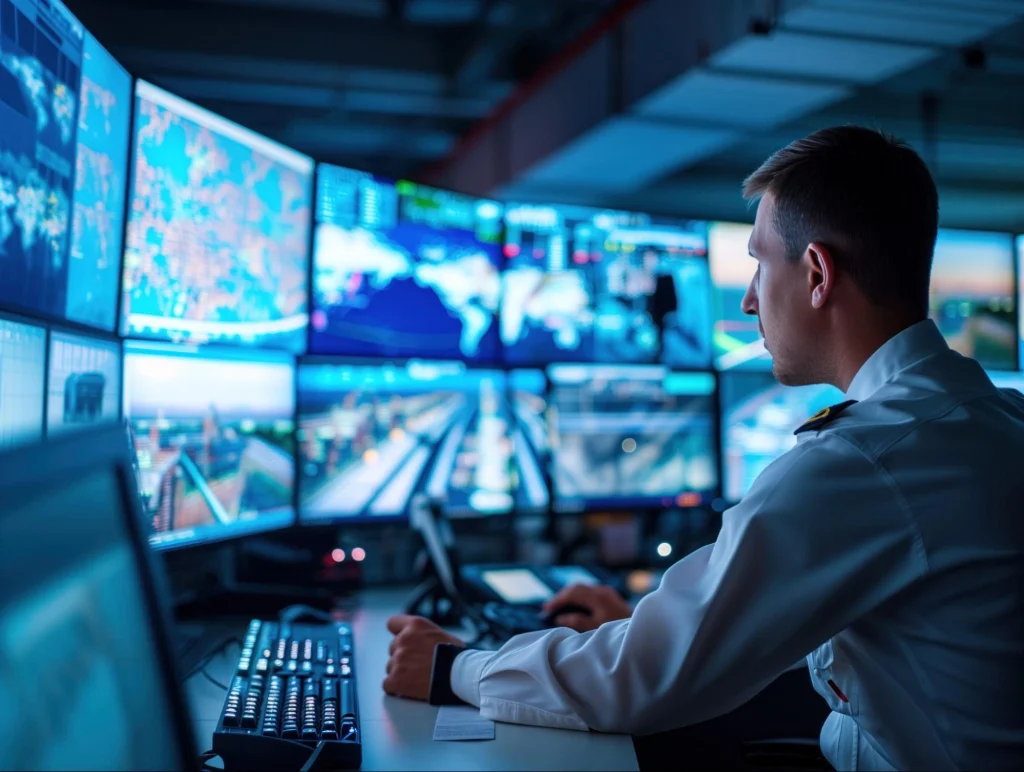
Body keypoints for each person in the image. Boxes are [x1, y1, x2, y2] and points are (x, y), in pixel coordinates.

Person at [383, 126, 1024, 771]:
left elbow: (640, 682)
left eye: (759, 262)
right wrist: (645, 621)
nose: (749, 298)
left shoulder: (863, 462)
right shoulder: (998, 418)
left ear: (817, 273)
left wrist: (452, 669)